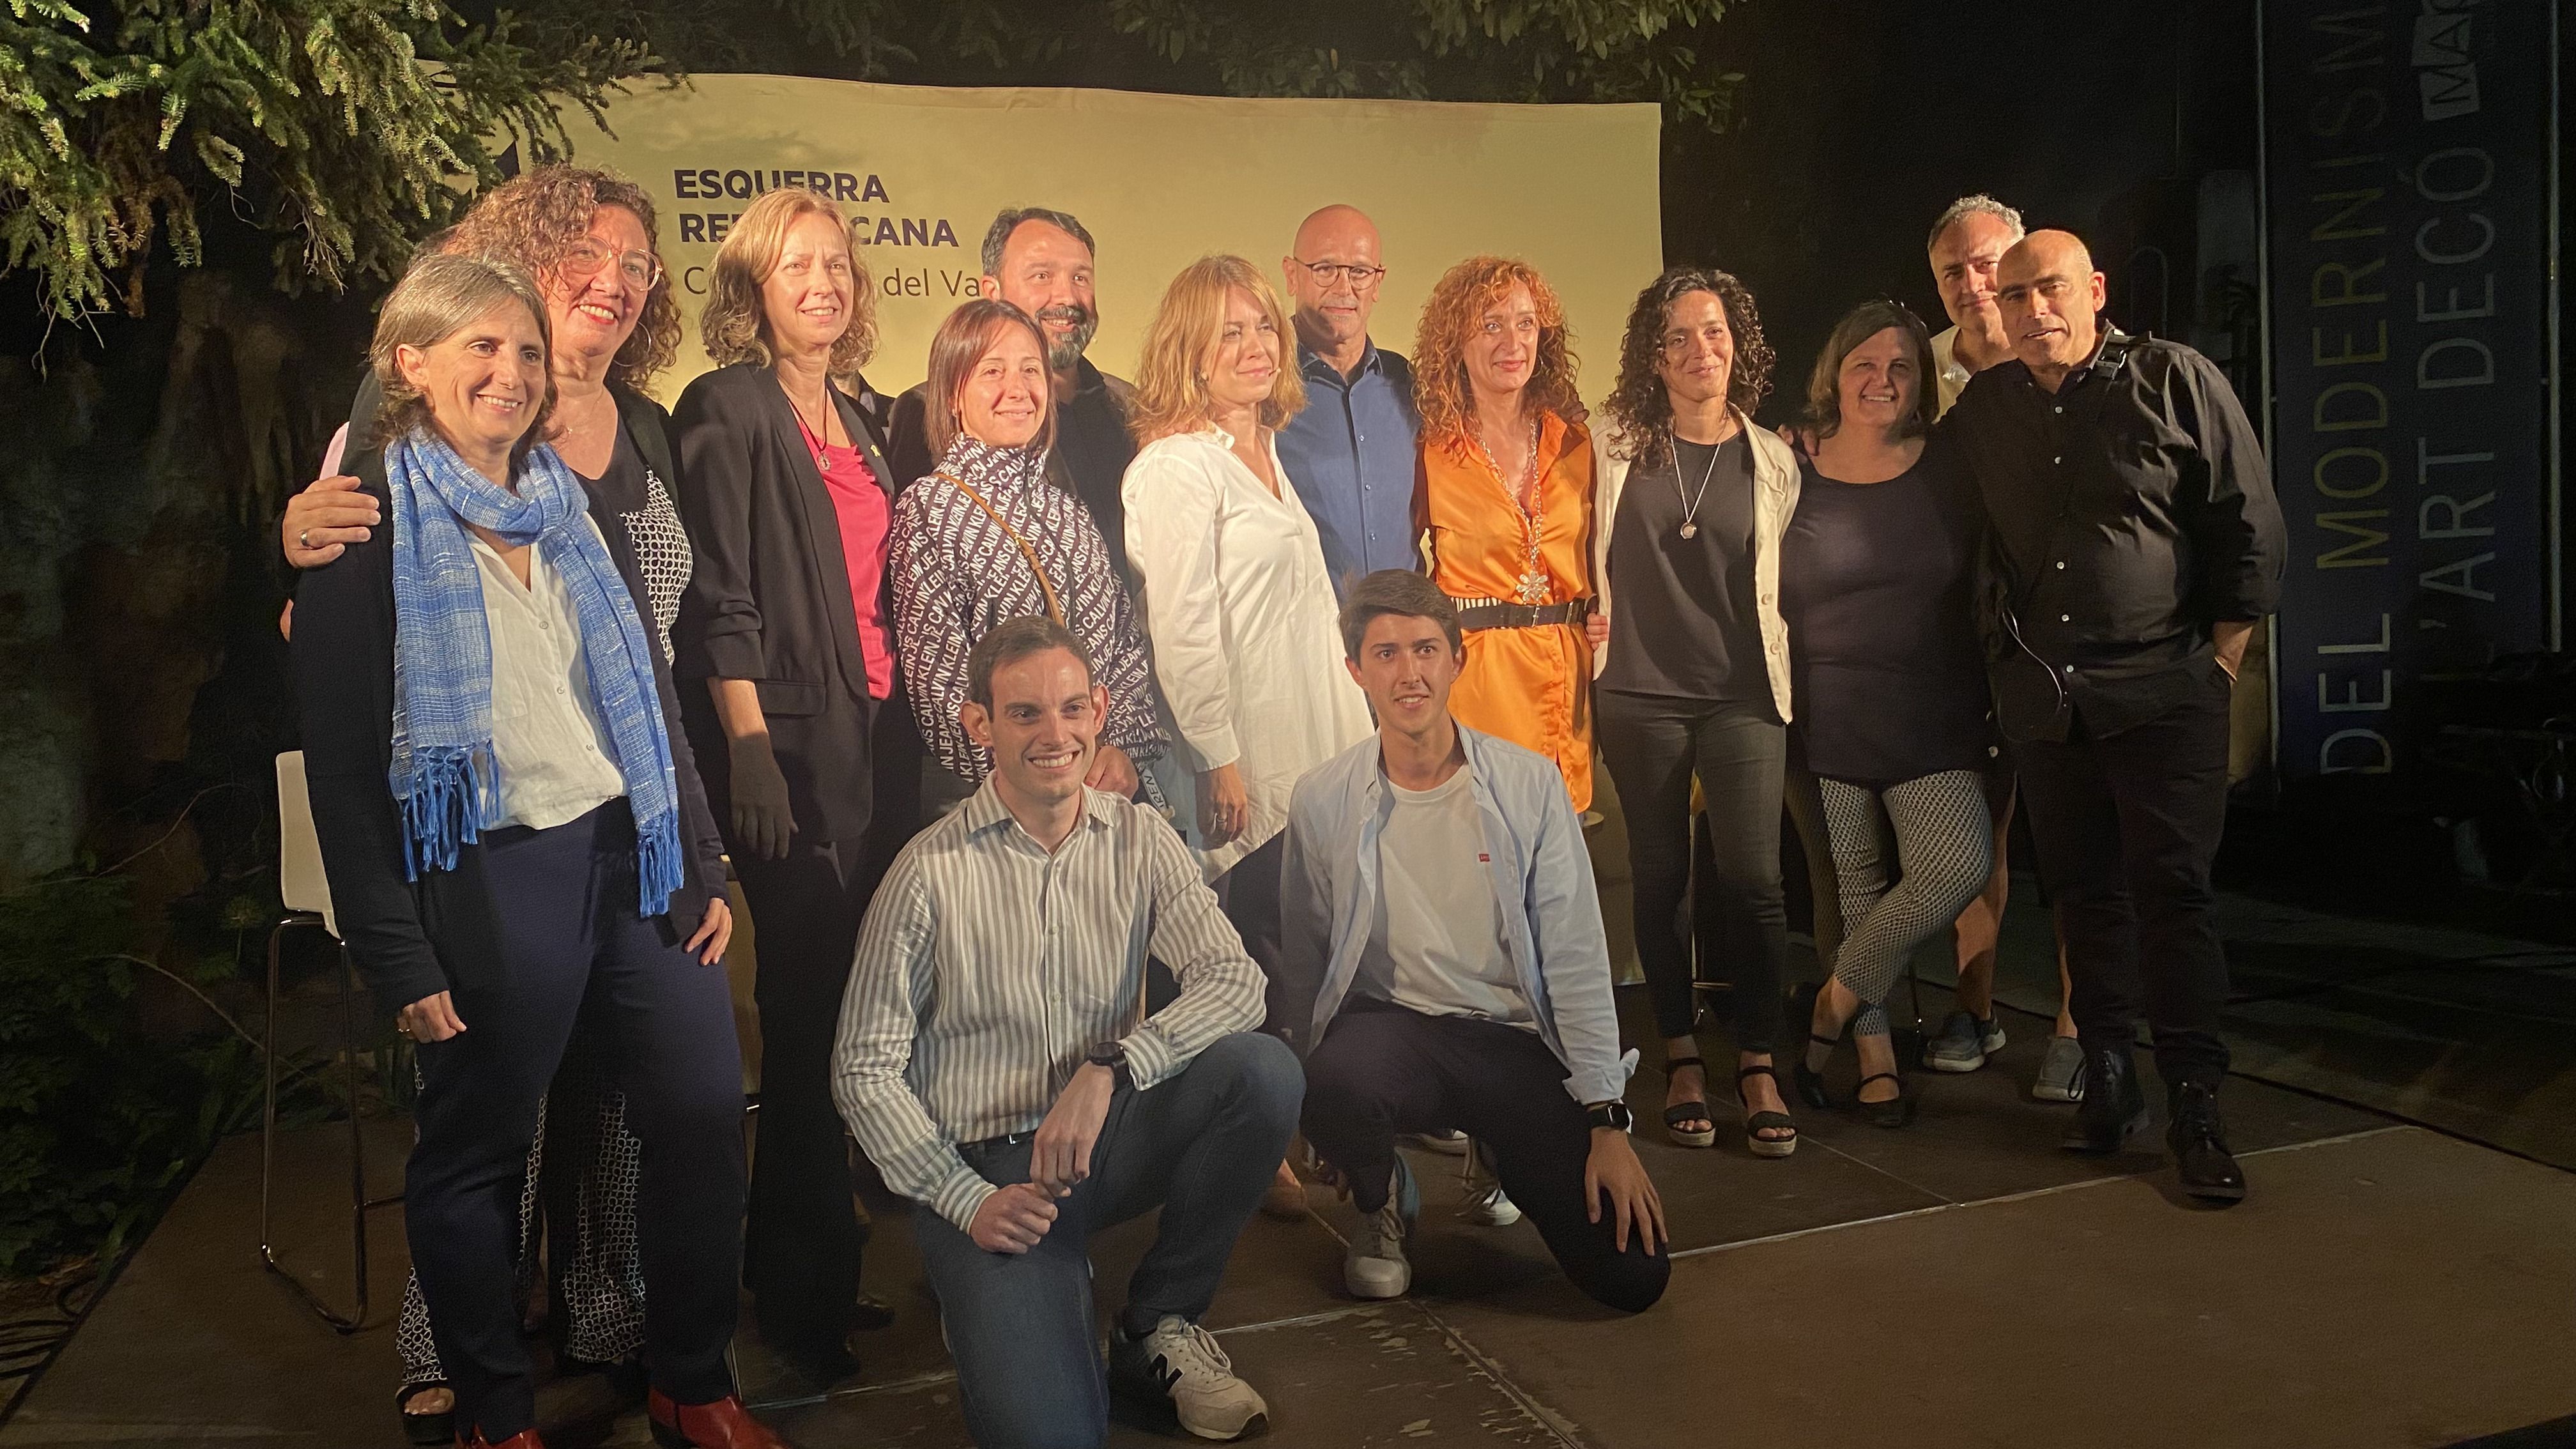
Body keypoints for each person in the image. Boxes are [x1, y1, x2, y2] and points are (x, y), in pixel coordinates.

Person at [291, 253, 781, 1449]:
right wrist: (397, 954)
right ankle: (493, 1414)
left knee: (705, 1109)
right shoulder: (360, 528)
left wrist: (701, 857)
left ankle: (691, 1376)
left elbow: (649, 699)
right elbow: (346, 775)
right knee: (478, 1153)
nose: (509, 371)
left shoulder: (569, 503)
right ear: (409, 364)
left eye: (522, 350)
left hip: (634, 857)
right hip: (493, 873)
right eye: (479, 348)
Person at [832, 617, 1301, 1448]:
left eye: (1072, 709)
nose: (1055, 735)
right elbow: (864, 1070)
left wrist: (1113, 1067)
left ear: (1100, 711)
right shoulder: (926, 873)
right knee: (1048, 1437)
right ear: (980, 725)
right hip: (989, 1172)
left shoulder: (1140, 836)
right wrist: (963, 1201)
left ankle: (1159, 1323)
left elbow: (1237, 984)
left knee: (1262, 1074)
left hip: (1103, 1136)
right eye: (1024, 715)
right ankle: (998, 1301)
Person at [1945, 229, 2284, 1201]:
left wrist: (2217, 664)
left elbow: (2249, 526)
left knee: (2174, 901)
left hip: (2166, 694)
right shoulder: (1987, 408)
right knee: (2083, 902)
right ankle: (2109, 1081)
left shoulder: (2175, 379)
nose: (2031, 311)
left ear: (2094, 289)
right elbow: (1958, 539)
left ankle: (2196, 1104)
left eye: (2048, 289)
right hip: (2052, 707)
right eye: (2012, 298)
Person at [1282, 571, 1671, 1312]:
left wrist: (1607, 1122)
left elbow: (1578, 958)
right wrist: (1307, 1102)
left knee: (1633, 1278)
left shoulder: (1529, 785)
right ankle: (1381, 1200)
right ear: (1355, 671)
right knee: (1336, 1079)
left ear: (1457, 659)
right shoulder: (1323, 796)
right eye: (1386, 654)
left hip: (1511, 1042)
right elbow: (1305, 953)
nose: (1410, 673)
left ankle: (1498, 1150)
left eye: (1426, 649)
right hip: (1391, 1032)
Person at [668, 185, 898, 1379]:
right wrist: (746, 742)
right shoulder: (727, 405)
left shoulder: (856, 415)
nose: (823, 282)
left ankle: (802, 1261)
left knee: (844, 1014)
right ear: (753, 288)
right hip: (784, 751)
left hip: (867, 743)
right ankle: (801, 1304)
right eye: (796, 266)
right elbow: (718, 589)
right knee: (811, 1021)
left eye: (836, 265)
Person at [1122, 254, 1374, 1029]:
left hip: (1315, 755)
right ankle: (1256, 1143)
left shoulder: (1265, 450)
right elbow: (1182, 628)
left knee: (1311, 970)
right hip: (1247, 772)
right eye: (1229, 332)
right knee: (1250, 974)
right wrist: (1216, 757)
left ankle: (1317, 1133)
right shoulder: (1177, 467)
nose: (1256, 343)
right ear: (1189, 353)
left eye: (1264, 324)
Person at [1591, 266, 1800, 1158]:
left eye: (1714, 332)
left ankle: (1757, 1059)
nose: (1698, 350)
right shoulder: (1612, 447)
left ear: (1738, 346)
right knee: (1661, 876)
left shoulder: (1773, 458)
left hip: (1743, 696)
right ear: (1653, 353)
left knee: (1754, 881)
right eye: (1677, 336)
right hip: (1638, 693)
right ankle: (1680, 1053)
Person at [1781, 300, 1996, 1129]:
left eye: (1903, 367)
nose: (1883, 380)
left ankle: (1828, 1012)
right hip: (1825, 711)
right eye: (1865, 363)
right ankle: (1874, 1065)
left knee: (1956, 865)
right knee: (1856, 890)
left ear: (1921, 384)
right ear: (1834, 373)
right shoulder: (1786, 467)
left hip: (1934, 709)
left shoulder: (1949, 465)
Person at [1917, 193, 2086, 1101]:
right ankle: (1974, 1009)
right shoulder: (1919, 371)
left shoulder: (2084, 355)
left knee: (2072, 840)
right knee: (1972, 838)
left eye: (1989, 265)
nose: (1976, 286)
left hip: (2065, 642)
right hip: (1961, 643)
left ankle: (2074, 1023)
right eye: (1955, 272)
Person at [888, 298, 1163, 815]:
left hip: (1100, 797)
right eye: (993, 371)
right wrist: (1048, 772)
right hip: (1001, 809)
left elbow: (1123, 643)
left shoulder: (1066, 506)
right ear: (952, 393)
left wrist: (1120, 747)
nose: (1017, 389)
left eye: (1030, 370)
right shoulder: (929, 508)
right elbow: (941, 690)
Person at [1411, 257, 1601, 811]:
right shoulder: (1431, 452)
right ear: (1456, 341)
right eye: (1491, 325)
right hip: (1477, 687)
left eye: (1525, 323)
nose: (1512, 342)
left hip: (1568, 686)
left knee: (1559, 874)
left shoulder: (1577, 443)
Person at [888, 207, 1138, 574]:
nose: (1066, 296)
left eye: (1081, 277)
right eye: (1042, 276)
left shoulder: (1132, 407)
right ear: (992, 292)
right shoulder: (929, 408)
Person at [1274, 204, 1422, 594]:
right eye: (1324, 269)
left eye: (1359, 271)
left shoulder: (1408, 385)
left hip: (1403, 633)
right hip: (1306, 635)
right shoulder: (1261, 386)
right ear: (1292, 275)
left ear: (1378, 282)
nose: (1344, 289)